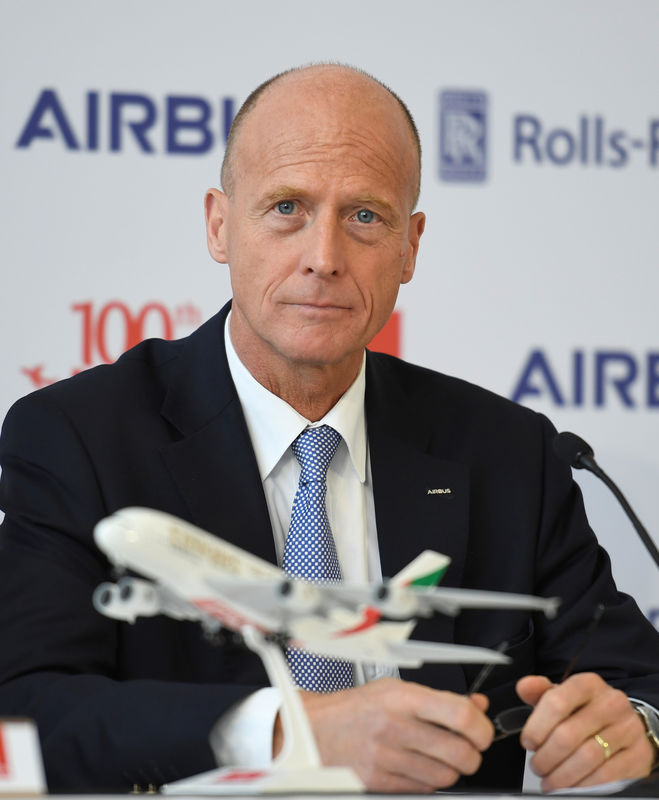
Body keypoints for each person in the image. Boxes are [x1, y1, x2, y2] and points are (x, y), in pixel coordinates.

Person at [1, 63, 658, 795]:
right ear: (220, 226)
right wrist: (291, 731)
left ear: (409, 247)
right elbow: (26, 711)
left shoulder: (508, 451)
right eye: (287, 207)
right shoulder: (77, 437)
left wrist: (632, 725)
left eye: (365, 217)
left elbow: (635, 676)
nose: (324, 258)